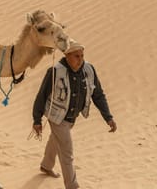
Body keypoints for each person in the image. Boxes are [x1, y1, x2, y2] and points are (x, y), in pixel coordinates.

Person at [32, 39, 118, 189]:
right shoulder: (55, 71)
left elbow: (98, 95)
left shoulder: (89, 70)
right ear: (67, 56)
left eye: (82, 56)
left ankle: (46, 165)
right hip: (57, 117)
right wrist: (37, 120)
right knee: (67, 152)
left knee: (56, 139)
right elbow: (41, 95)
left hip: (72, 117)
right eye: (76, 56)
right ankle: (72, 185)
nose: (80, 60)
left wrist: (108, 117)